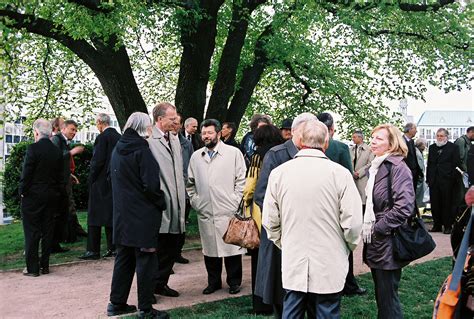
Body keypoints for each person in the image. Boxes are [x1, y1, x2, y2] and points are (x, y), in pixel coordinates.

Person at [263, 119, 362, 318]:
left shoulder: (279, 174)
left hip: (294, 255)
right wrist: (346, 246)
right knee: (326, 310)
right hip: (329, 258)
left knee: (292, 309)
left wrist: (284, 242)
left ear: (298, 141)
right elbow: (353, 223)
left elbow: (270, 220)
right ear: (326, 142)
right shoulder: (341, 174)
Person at [254, 112, 317, 318]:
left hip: (312, 234)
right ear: (296, 131)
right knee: (282, 291)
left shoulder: (319, 155)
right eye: (309, 129)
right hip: (282, 235)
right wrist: (283, 224)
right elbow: (261, 195)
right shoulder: (277, 154)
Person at [107, 112, 168, 319]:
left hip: (122, 216)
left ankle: (116, 303)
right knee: (146, 261)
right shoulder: (142, 150)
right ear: (144, 127)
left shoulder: (118, 149)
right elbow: (151, 185)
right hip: (143, 215)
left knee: (123, 259)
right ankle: (146, 308)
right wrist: (161, 202)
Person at [187, 119, 246, 295]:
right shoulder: (196, 157)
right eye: (204, 133)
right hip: (206, 210)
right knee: (210, 250)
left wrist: (235, 200)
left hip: (228, 209)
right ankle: (213, 282)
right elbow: (190, 184)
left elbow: (241, 180)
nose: (206, 136)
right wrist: (196, 202)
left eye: (209, 133)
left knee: (232, 249)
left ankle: (234, 282)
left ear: (219, 134)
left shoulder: (233, 153)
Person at [363, 123, 415, 319]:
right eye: (373, 137)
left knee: (388, 300)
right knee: (383, 298)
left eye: (379, 138)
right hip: (378, 243)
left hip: (388, 242)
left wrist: (378, 228)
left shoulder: (398, 167)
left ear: (392, 144)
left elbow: (404, 207)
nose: (373, 141)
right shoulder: (376, 167)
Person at [317, 112, 366, 296]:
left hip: (316, 205)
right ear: (331, 129)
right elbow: (348, 178)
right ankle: (348, 284)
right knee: (345, 244)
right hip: (337, 204)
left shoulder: (301, 147)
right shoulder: (340, 147)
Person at [242, 124, 284, 315]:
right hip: (280, 211)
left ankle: (261, 303)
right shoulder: (282, 153)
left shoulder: (259, 155)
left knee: (259, 262)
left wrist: (244, 202)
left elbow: (251, 185)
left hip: (261, 213)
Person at [148, 102, 186, 298]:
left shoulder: (175, 138)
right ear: (160, 119)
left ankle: (161, 283)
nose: (175, 122)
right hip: (162, 202)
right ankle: (151, 285)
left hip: (178, 200)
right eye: (171, 119)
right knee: (159, 246)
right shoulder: (149, 140)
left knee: (173, 246)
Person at [19, 119, 63, 276]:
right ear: (50, 133)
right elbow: (60, 177)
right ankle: (45, 266)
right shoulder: (57, 151)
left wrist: (22, 191)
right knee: (47, 230)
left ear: (36, 133)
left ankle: (32, 268)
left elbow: (27, 173)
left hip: (33, 196)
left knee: (31, 231)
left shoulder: (33, 149)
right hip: (51, 195)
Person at [79, 114, 121, 260]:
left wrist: (91, 180)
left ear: (100, 123)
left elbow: (97, 161)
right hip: (115, 182)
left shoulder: (102, 138)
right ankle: (113, 247)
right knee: (111, 215)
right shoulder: (119, 137)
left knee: (94, 216)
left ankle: (93, 250)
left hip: (100, 182)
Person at [51, 119, 85, 252]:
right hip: (58, 185)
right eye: (72, 129)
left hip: (64, 181)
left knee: (63, 211)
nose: (74, 132)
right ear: (63, 128)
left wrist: (70, 176)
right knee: (58, 212)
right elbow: (54, 158)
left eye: (76, 130)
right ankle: (56, 243)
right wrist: (72, 152)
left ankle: (59, 241)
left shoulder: (62, 141)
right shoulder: (56, 140)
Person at [426, 128, 461, 234]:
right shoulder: (432, 148)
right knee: (435, 203)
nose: (439, 138)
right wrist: (428, 179)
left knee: (447, 203)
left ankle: (447, 226)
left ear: (446, 137)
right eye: (438, 136)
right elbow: (430, 164)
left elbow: (456, 164)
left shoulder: (453, 147)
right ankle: (436, 225)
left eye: (441, 136)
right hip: (434, 180)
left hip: (447, 180)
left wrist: (451, 178)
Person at [172, 113, 194, 264]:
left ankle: (177, 252)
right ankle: (167, 257)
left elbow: (191, 166)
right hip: (169, 190)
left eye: (177, 123)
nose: (175, 125)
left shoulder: (186, 144)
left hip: (184, 189)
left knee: (181, 223)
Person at [350, 130, 375, 212]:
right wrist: (352, 172)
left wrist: (359, 173)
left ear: (360, 138)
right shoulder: (351, 149)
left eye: (354, 137)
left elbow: (370, 163)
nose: (352, 139)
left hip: (363, 178)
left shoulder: (369, 149)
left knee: (363, 200)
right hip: (352, 178)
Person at [402, 123, 423, 191]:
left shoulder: (411, 141)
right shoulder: (401, 141)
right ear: (409, 130)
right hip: (406, 174)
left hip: (414, 174)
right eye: (415, 129)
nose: (416, 131)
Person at [414, 138, 428, 208]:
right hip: (419, 177)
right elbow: (420, 166)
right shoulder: (417, 153)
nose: (425, 147)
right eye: (424, 145)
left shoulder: (419, 152)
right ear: (421, 145)